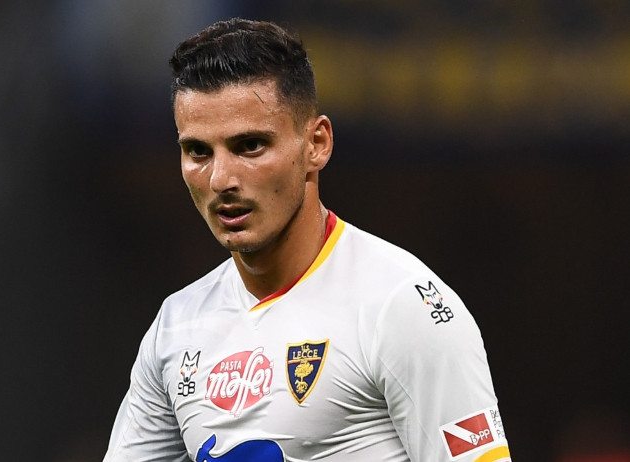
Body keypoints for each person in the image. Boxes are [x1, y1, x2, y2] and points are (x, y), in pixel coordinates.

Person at [103, 18, 510, 462]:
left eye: (250, 146)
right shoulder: (176, 326)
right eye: (198, 151)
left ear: (316, 144)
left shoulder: (400, 306)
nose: (220, 179)